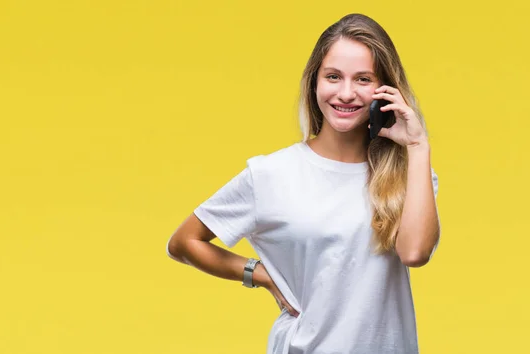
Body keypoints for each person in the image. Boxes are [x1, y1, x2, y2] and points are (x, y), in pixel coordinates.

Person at [166, 13, 440, 354]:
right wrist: (260, 274)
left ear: (385, 89)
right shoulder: (272, 174)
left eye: (363, 79)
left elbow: (415, 253)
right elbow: (183, 243)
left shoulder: (408, 173)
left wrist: (417, 145)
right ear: (315, 83)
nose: (346, 92)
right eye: (333, 76)